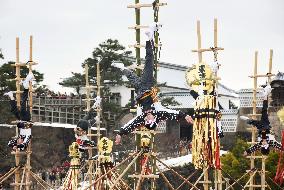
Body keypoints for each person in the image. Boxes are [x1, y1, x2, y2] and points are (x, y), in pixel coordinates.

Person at [112, 23, 193, 144]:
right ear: (155, 119)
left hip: (140, 91)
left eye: (147, 120)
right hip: (148, 86)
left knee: (131, 76)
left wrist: (120, 134)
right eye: (150, 120)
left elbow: (130, 125)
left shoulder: (141, 118)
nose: (148, 118)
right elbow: (173, 113)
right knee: (149, 61)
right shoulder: (159, 113)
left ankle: (122, 67)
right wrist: (185, 116)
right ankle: (150, 36)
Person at [242, 85, 282, 155]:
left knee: (263, 110)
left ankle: (265, 93)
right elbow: (280, 147)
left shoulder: (260, 144)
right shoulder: (272, 142)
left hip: (260, 128)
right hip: (266, 126)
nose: (263, 143)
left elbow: (253, 148)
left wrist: (246, 152)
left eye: (263, 144)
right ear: (268, 146)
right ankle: (249, 120)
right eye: (265, 144)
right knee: (261, 122)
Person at [5, 72, 34, 151]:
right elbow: (23, 146)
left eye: (17, 141)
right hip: (26, 119)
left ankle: (11, 96)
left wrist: (14, 146)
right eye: (19, 141)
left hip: (21, 119)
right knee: (23, 103)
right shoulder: (26, 139)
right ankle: (26, 86)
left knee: (14, 111)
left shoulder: (19, 138)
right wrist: (18, 146)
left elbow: (9, 143)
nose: (18, 140)